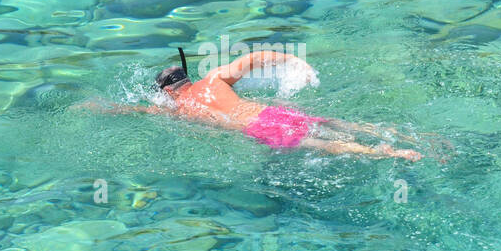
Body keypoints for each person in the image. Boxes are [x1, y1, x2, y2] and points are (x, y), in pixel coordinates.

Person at [82, 48, 423, 159]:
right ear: (186, 78)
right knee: (333, 123)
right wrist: (293, 60)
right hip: (269, 112)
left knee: (325, 144)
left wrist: (101, 108)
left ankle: (389, 153)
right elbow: (254, 57)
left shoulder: (179, 110)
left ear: (169, 92)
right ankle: (394, 134)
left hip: (258, 128)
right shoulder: (214, 78)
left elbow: (136, 110)